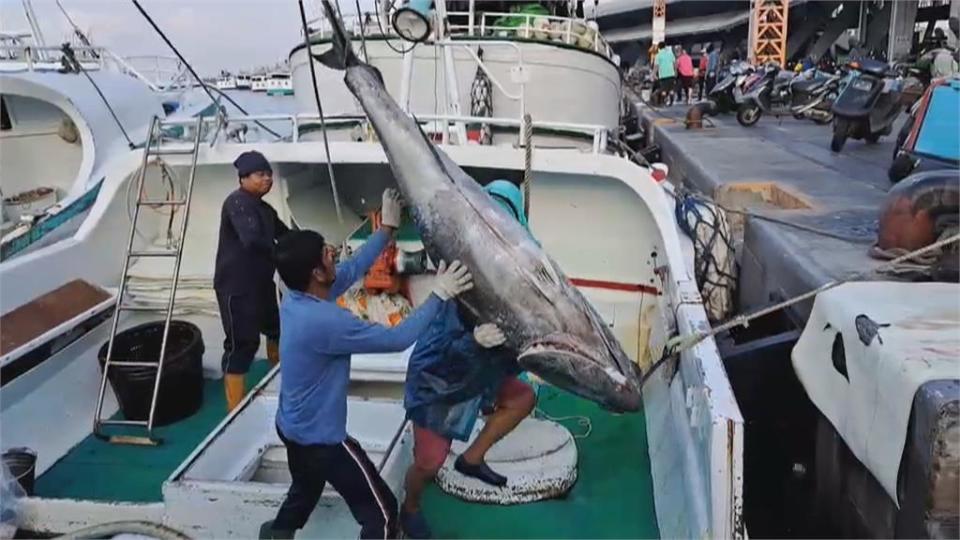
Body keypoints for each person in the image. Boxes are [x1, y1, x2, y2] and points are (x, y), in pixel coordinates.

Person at [259, 189, 475, 540]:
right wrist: (440, 294)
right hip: (322, 440)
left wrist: (386, 229)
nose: (334, 254)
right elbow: (397, 339)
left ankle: (277, 533)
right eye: (328, 254)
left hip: (291, 426)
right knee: (384, 515)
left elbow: (351, 270)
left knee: (305, 489)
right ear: (315, 271)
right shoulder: (324, 322)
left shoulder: (297, 296)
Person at [398, 180, 537, 540]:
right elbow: (430, 353)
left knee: (523, 397)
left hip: (480, 377)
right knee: (428, 464)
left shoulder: (520, 272)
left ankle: (472, 458)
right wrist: (472, 341)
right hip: (440, 385)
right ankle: (409, 506)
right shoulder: (458, 275)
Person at [215, 150, 290, 412]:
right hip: (236, 288)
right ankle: (233, 409)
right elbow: (252, 239)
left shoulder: (265, 209)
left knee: (276, 329)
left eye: (269, 175)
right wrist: (282, 253)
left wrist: (313, 245)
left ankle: (278, 381)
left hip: (261, 282)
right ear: (243, 178)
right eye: (261, 175)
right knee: (242, 344)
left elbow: (286, 234)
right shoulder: (236, 203)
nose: (267, 179)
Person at [654, 42, 677, 106]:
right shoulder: (670, 54)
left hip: (663, 75)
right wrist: (675, 71)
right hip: (671, 74)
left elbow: (656, 66)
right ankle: (671, 102)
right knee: (671, 89)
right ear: (665, 46)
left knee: (663, 90)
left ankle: (663, 102)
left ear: (659, 47)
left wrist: (654, 74)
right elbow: (674, 63)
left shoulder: (658, 55)